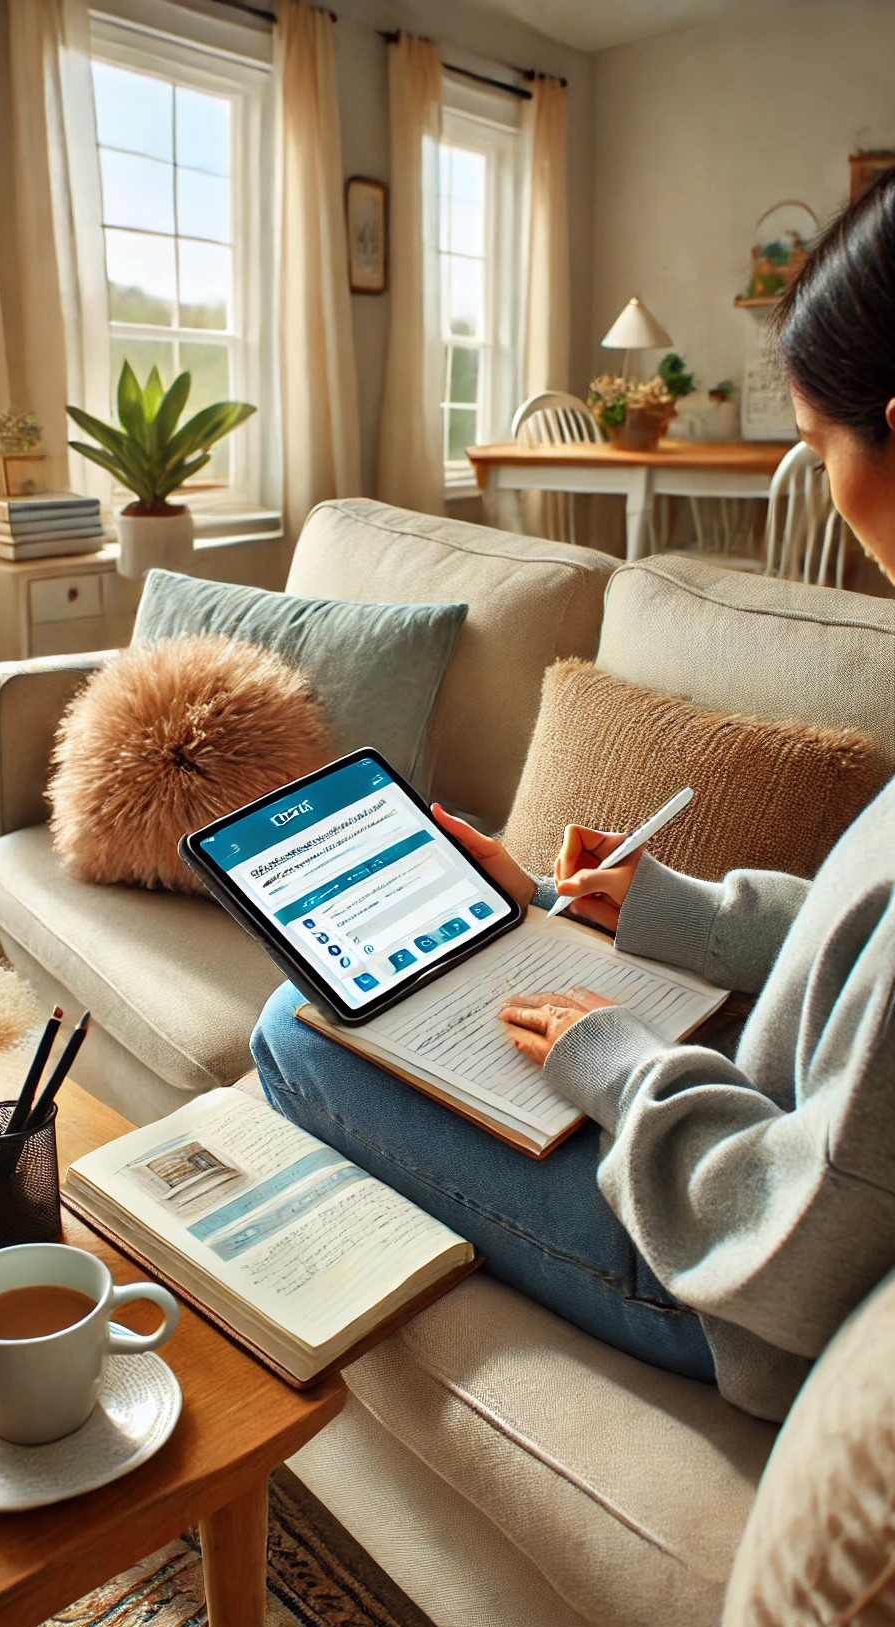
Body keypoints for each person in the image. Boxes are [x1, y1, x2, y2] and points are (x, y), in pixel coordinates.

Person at [252, 171, 895, 1423]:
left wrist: (613, 1062)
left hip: (719, 1268)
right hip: (725, 1127)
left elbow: (804, 1251)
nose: (824, 489)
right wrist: (655, 910)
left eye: (818, 448)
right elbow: (855, 939)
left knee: (291, 1023)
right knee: (456, 955)